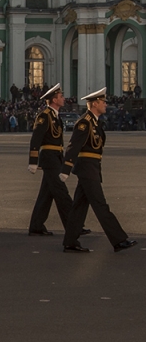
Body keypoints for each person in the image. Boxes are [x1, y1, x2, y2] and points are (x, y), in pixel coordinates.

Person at [60, 88, 137, 253]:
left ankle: (70, 241)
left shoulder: (94, 122)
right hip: (87, 169)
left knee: (78, 207)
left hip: (92, 168)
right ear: (94, 103)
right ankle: (119, 239)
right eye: (103, 102)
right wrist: (66, 168)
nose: (106, 105)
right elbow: (73, 146)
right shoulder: (84, 122)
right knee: (100, 205)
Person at [26, 84, 73, 236]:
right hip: (49, 159)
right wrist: (33, 161)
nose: (64, 99)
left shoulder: (55, 116)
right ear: (54, 99)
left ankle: (36, 226)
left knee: (46, 195)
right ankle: (74, 225)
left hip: (56, 158)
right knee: (61, 193)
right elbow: (36, 139)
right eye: (61, 97)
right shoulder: (44, 116)